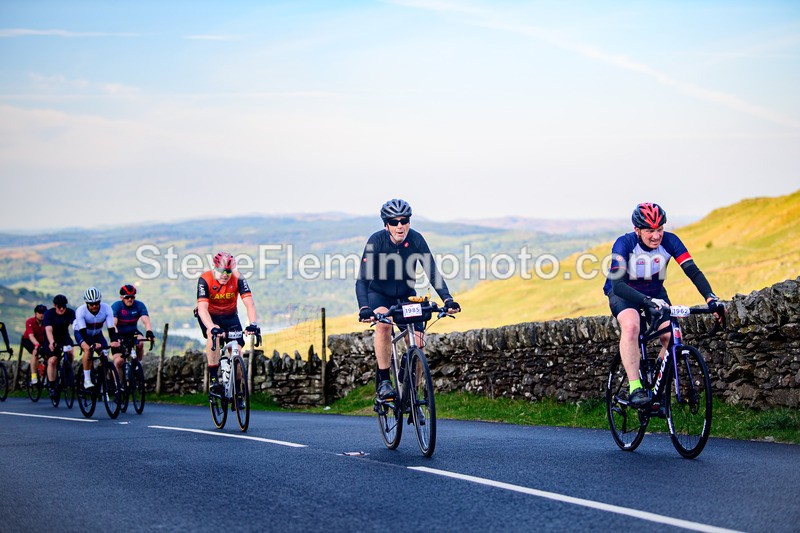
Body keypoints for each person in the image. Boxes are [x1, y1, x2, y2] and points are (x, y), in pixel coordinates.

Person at [603, 202, 722, 408]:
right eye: (650, 230)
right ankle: (635, 387)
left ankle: (655, 375)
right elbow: (619, 285)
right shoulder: (624, 244)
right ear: (637, 230)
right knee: (631, 325)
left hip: (655, 292)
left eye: (659, 229)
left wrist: (710, 298)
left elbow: (692, 271)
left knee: (672, 338)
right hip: (624, 292)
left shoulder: (671, 241)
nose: (656, 236)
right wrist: (646, 302)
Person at [356, 198, 461, 401]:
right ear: (386, 225)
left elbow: (432, 271)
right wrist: (365, 307)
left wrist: (448, 300)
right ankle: (385, 381)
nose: (400, 226)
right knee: (384, 326)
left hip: (406, 295)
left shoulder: (416, 239)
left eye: (404, 220)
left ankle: (412, 391)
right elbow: (362, 280)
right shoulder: (376, 241)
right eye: (394, 222)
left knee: (418, 342)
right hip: (379, 294)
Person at [196, 252, 260, 394]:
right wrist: (212, 327)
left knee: (237, 351)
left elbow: (249, 303)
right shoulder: (205, 279)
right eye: (221, 271)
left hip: (230, 316)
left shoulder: (238, 278)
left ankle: (237, 391)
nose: (225, 274)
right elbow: (202, 309)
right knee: (214, 335)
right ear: (214, 268)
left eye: (228, 271)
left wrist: (253, 324)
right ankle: (213, 380)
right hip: (210, 316)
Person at [74, 287, 118, 389]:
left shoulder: (106, 309)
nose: (94, 306)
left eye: (97, 303)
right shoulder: (81, 311)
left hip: (97, 333)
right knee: (88, 350)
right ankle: (87, 380)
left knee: (105, 354)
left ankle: (100, 376)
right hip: (81, 332)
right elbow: (83, 332)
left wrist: (114, 341)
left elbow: (111, 328)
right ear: (86, 303)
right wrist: (92, 344)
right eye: (91, 304)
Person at [111, 284, 155, 380]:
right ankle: (118, 386)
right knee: (118, 362)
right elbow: (113, 324)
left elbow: (146, 321)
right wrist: (116, 337)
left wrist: (149, 332)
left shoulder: (139, 305)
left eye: (132, 297)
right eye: (127, 297)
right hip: (118, 333)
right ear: (121, 297)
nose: (130, 299)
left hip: (132, 332)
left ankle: (137, 363)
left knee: (140, 342)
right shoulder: (117, 306)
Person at [41, 295, 76, 389]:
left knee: (70, 353)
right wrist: (52, 342)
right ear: (54, 305)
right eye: (59, 307)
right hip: (52, 337)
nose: (61, 309)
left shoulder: (70, 312)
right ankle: (51, 385)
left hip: (65, 337)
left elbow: (75, 326)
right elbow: (48, 330)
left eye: (64, 306)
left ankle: (66, 372)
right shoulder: (49, 314)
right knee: (52, 360)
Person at [23, 304, 48, 385]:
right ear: (35, 314)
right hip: (29, 340)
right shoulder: (30, 321)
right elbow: (31, 335)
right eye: (40, 313)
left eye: (43, 313)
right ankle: (33, 376)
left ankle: (45, 375)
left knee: (49, 356)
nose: (42, 315)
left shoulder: (47, 322)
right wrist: (37, 345)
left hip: (42, 341)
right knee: (35, 352)